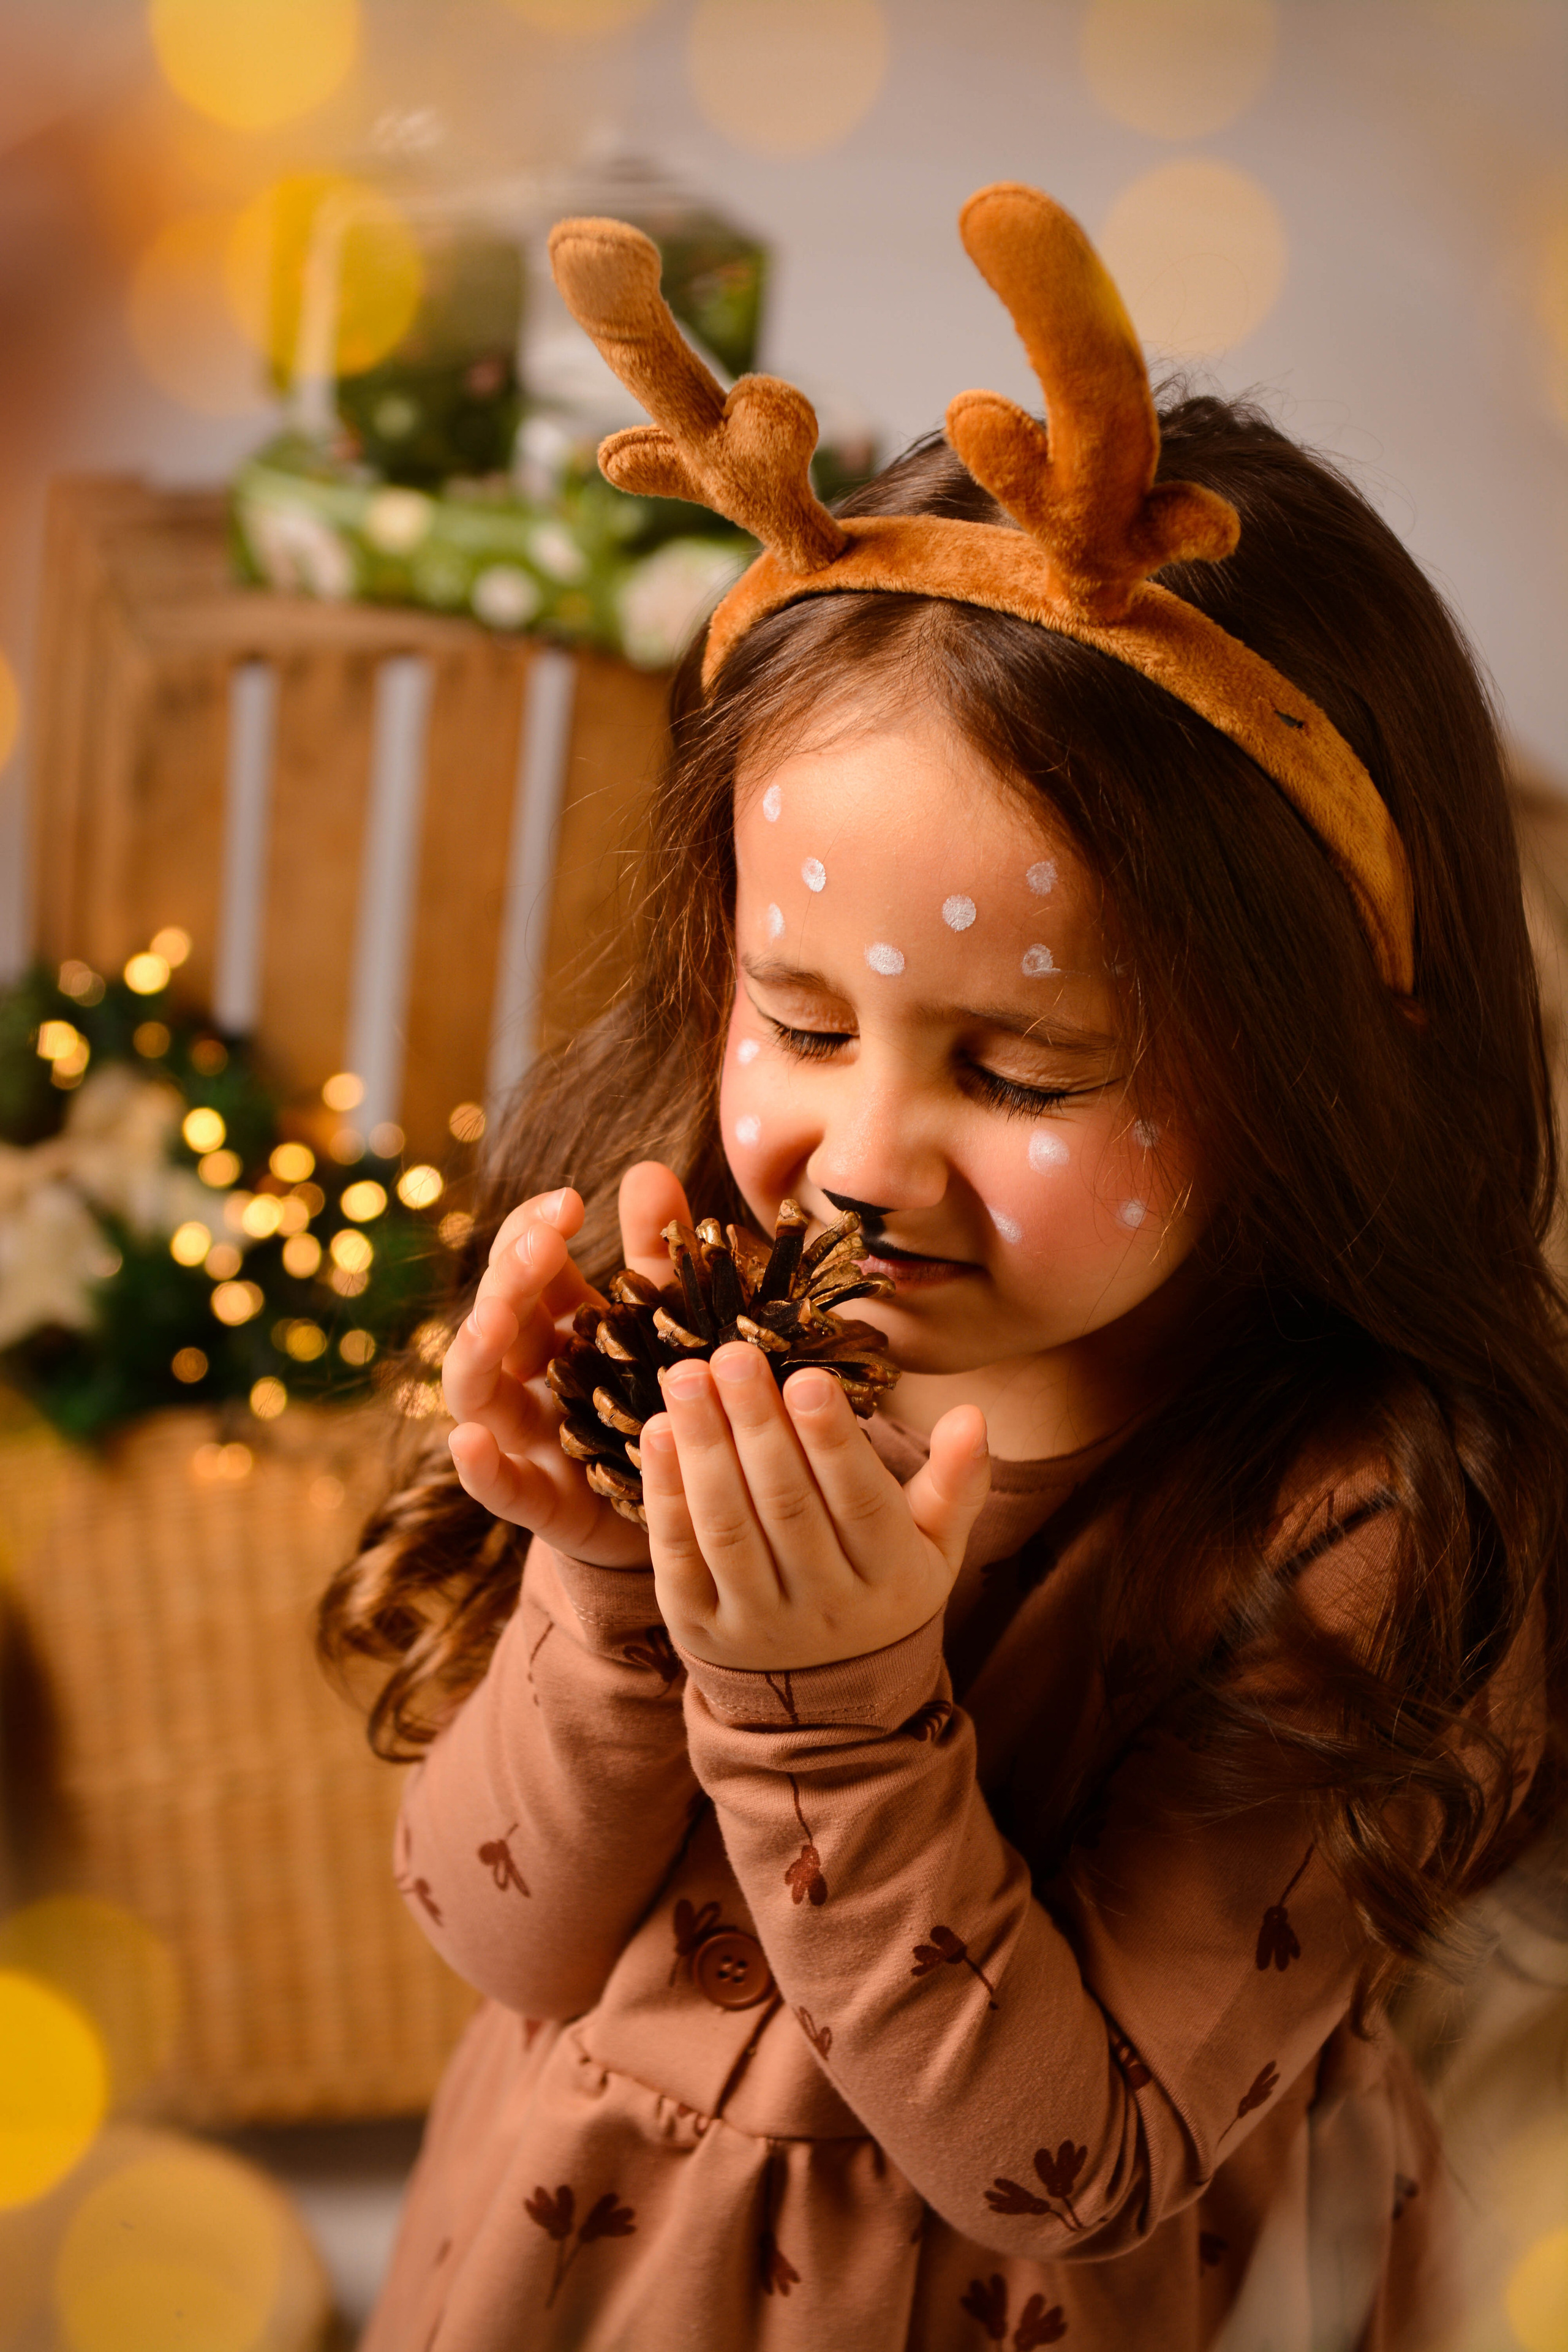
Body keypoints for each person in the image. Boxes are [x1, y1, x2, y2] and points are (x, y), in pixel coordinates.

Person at [322, 187, 1562, 2350]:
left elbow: (1062, 2171)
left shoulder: (1349, 1522)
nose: (863, 1163)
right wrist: (608, 1586)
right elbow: (503, 1940)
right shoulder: (704, 1296)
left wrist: (823, 1706)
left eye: (1023, 1064)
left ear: (1316, 1068)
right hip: (577, 2251)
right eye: (801, 1026)